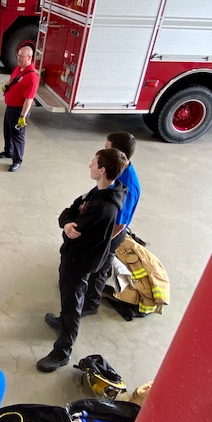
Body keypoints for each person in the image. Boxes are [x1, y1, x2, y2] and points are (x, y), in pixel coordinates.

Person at [37, 149, 128, 373]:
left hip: (79, 261)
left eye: (93, 163)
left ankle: (62, 352)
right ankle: (63, 322)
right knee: (68, 298)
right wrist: (67, 222)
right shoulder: (101, 191)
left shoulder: (104, 207)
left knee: (72, 304)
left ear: (102, 170)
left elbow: (73, 229)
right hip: (73, 255)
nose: (89, 165)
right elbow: (69, 211)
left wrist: (68, 224)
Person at [83, 132, 141, 314]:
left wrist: (102, 241)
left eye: (107, 148)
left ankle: (89, 304)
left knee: (100, 266)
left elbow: (120, 223)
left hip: (111, 233)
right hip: (104, 225)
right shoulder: (116, 171)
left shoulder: (128, 184)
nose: (103, 150)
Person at [0, 46, 39, 172]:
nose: (18, 58)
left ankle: (17, 160)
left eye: (21, 56)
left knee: (17, 136)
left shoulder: (31, 77)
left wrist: (22, 117)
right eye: (18, 55)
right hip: (10, 107)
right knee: (7, 131)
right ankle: (8, 151)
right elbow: (11, 80)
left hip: (19, 110)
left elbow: (28, 99)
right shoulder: (18, 69)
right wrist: (7, 86)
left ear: (29, 58)